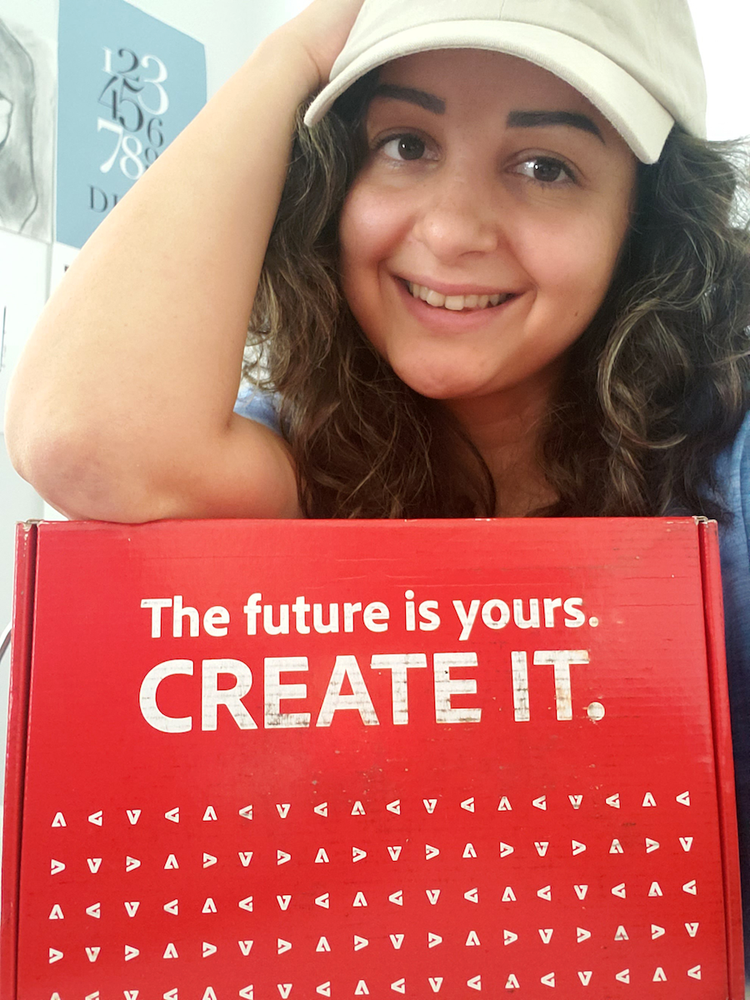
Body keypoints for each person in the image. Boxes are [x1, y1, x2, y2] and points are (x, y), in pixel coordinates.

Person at [5, 0, 750, 971]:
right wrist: (296, 54)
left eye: (546, 167)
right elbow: (79, 436)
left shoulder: (725, 466)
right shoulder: (295, 453)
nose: (448, 231)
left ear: (643, 226)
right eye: (405, 142)